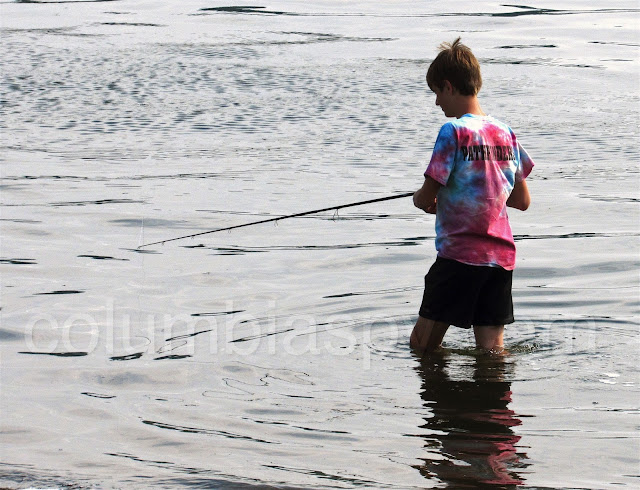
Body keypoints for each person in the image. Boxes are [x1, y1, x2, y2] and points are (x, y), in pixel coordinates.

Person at [411, 37, 534, 355]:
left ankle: (438, 387)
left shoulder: (453, 132)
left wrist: (423, 200)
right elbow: (521, 201)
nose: (437, 103)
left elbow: (425, 197)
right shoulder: (505, 133)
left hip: (460, 256)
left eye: (437, 93)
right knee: (491, 352)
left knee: (422, 346)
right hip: (500, 260)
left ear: (448, 87)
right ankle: (493, 388)